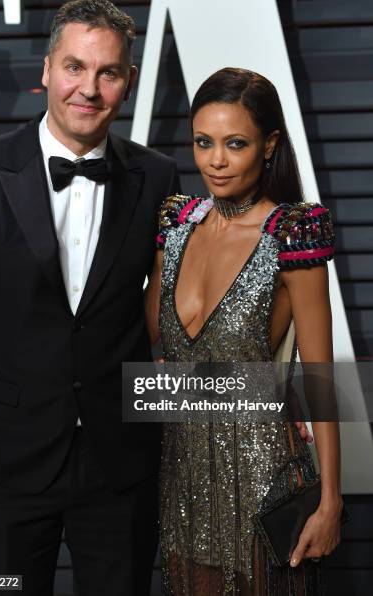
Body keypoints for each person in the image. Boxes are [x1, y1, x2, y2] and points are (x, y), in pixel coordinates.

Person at [0, 0, 180, 596]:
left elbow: (164, 316)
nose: (89, 88)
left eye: (107, 73)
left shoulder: (157, 177)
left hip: (117, 467)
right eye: (75, 67)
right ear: (48, 70)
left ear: (127, 83)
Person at [145, 68, 343, 595]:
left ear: (269, 144)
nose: (215, 160)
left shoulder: (291, 233)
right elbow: (150, 345)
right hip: (183, 474)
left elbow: (320, 378)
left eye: (235, 144)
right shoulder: (175, 223)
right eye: (203, 142)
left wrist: (331, 501)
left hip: (263, 474)